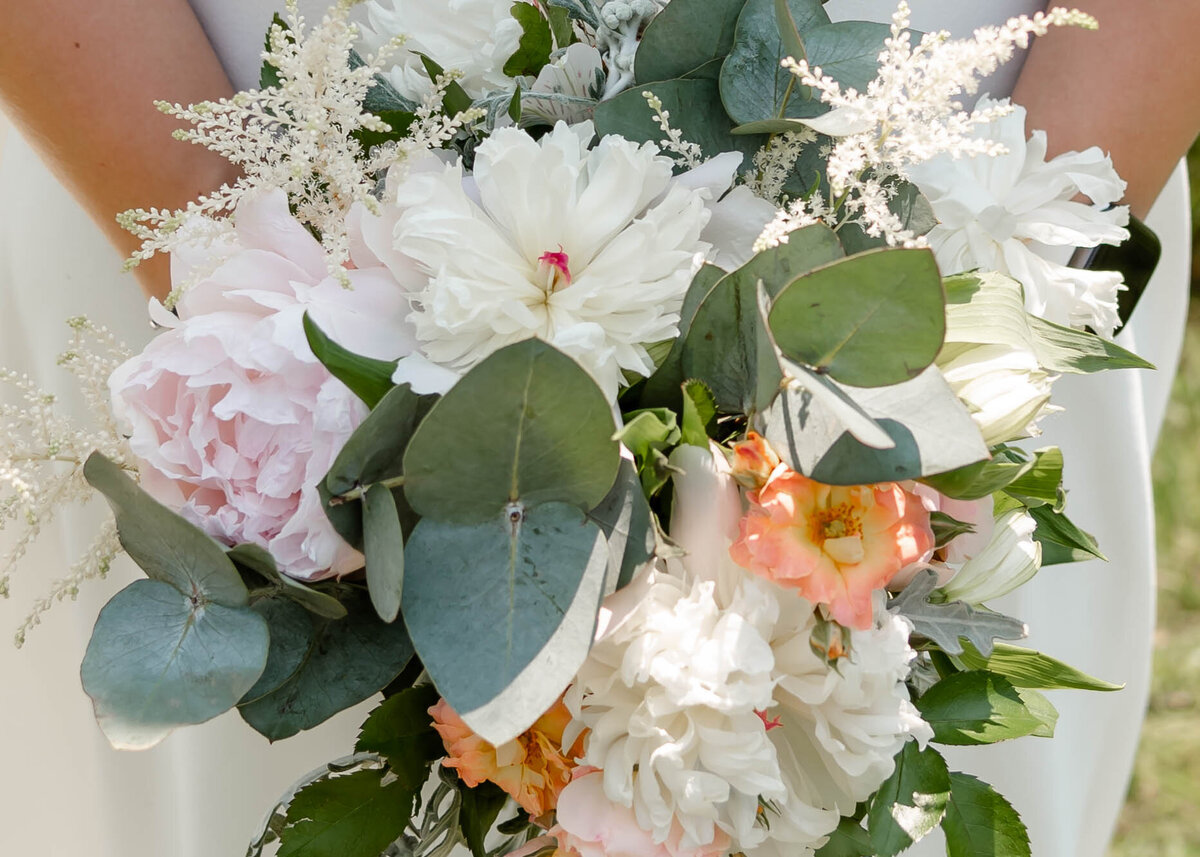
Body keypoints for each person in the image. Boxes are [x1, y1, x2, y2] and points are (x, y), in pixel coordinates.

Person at [0, 1, 1196, 855]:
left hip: (956, 152)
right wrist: (279, 342)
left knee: (868, 758)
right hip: (213, 121)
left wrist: (958, 345)